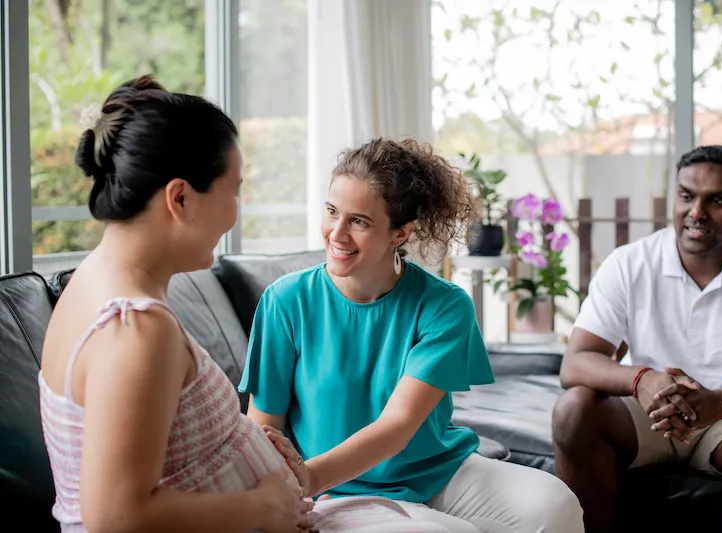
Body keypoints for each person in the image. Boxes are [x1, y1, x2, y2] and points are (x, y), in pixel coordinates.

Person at [38, 76, 444, 533]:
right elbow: (115, 516)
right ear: (181, 198)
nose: (236, 212)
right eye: (233, 191)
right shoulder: (135, 328)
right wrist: (263, 508)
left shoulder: (96, 283)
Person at [238, 137, 585, 533]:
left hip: (436, 471)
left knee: (556, 504)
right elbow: (264, 428)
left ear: (400, 234)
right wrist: (286, 491)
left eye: (359, 221)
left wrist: (308, 477)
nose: (337, 233)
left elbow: (397, 427)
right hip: (335, 489)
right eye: (332, 211)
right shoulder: (286, 301)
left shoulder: (444, 304)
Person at [552, 145, 722, 533]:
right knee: (573, 409)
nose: (697, 212)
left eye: (717, 200)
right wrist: (642, 379)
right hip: (649, 413)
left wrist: (720, 403)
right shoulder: (630, 263)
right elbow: (577, 361)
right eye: (687, 196)